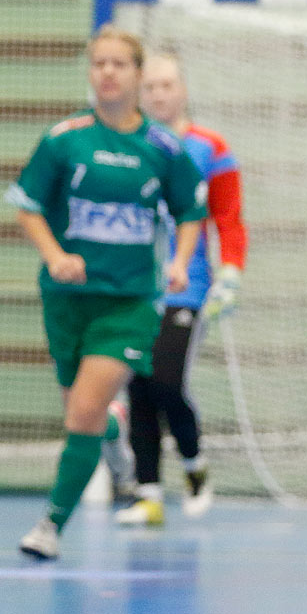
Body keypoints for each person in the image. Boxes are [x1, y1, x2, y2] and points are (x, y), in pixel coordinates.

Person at [5, 26, 207, 560]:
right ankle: (111, 430)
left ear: (138, 76)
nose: (108, 73)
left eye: (120, 64)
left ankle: (50, 525)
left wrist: (181, 263)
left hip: (130, 303)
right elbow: (27, 205)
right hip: (68, 300)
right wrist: (55, 256)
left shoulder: (163, 148)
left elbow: (191, 210)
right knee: (83, 406)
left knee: (83, 412)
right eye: (100, 64)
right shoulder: (64, 139)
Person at [115, 51, 247, 526]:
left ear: (182, 89)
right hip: (133, 289)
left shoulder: (210, 148)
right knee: (138, 388)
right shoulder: (126, 145)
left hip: (185, 289)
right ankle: (148, 493)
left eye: (167, 85)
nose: (158, 94)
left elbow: (229, 220)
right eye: (150, 86)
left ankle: (194, 464)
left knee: (166, 380)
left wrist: (230, 272)